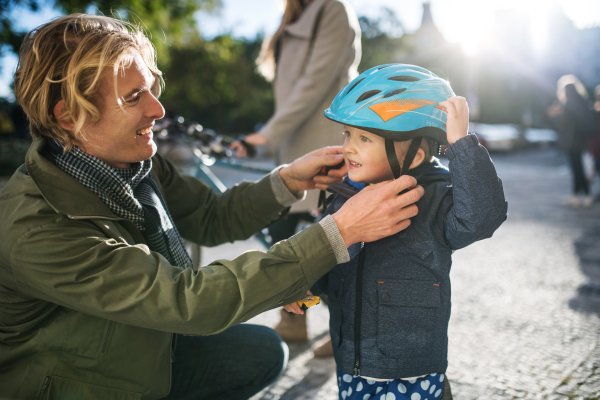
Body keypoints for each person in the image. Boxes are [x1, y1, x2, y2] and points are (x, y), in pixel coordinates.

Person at [0, 15, 425, 400]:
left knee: (260, 352)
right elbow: (189, 302)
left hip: (139, 342)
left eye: (151, 88)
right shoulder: (35, 229)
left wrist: (288, 180)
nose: (158, 109)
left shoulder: (133, 161)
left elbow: (211, 216)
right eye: (133, 98)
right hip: (75, 382)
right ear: (70, 116)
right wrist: (339, 232)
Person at [283, 64, 508, 399]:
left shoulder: (433, 202)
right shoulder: (346, 196)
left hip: (413, 377)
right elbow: (328, 254)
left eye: (364, 138)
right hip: (351, 366)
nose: (348, 147)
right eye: (347, 134)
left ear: (415, 154)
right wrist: (306, 287)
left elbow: (483, 216)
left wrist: (461, 145)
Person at [232, 0, 361, 354]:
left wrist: (267, 134)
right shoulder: (295, 17)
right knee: (286, 242)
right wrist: (270, 138)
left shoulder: (332, 9)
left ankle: (347, 331)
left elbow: (315, 83)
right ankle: (296, 320)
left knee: (327, 246)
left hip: (322, 141)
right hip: (292, 146)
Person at [549, 75, 595, 208]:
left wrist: (556, 115)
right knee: (578, 167)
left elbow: (564, 124)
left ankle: (583, 196)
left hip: (572, 140)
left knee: (577, 168)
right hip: (581, 139)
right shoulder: (581, 100)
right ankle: (581, 195)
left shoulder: (568, 103)